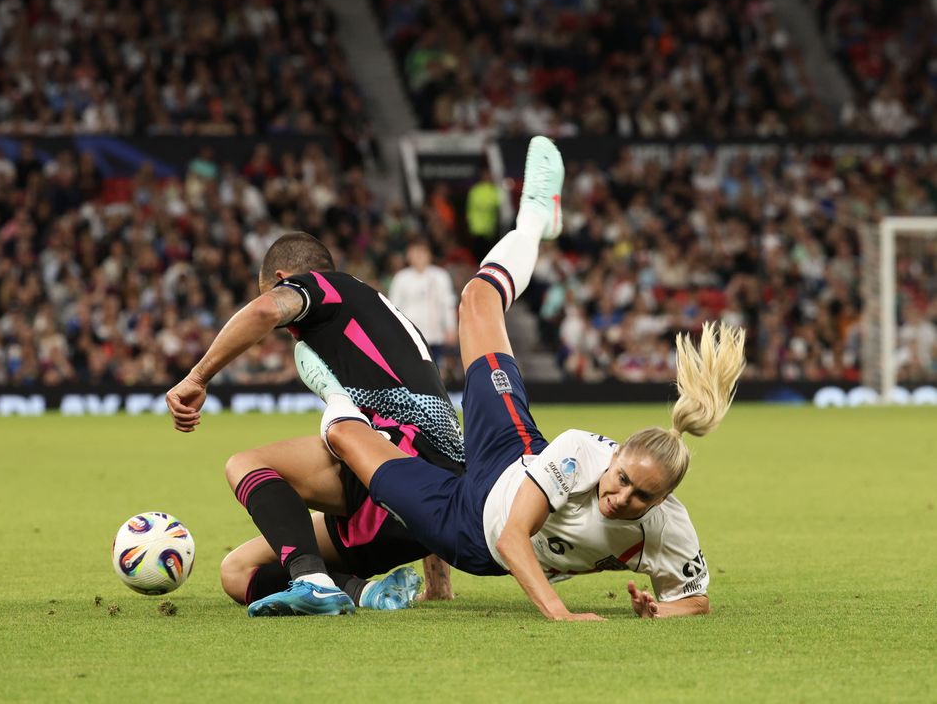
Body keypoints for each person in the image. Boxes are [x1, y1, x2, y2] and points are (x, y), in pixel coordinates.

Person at [285, 136, 745, 621]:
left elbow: (694, 600)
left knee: (348, 437)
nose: (621, 497)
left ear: (664, 500)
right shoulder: (582, 453)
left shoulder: (668, 526)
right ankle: (535, 220)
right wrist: (560, 613)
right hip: (515, 454)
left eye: (642, 496)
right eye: (624, 479)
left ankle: (332, 390)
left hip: (467, 528)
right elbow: (516, 534)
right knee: (477, 299)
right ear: (616, 456)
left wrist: (658, 612)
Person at [166, 232, 464, 615]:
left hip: (389, 483)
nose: (287, 330)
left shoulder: (327, 287)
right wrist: (439, 582)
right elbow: (428, 438)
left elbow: (264, 312)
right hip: (431, 511)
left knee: (245, 464)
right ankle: (364, 593)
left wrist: (197, 377)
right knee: (237, 572)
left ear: (283, 278)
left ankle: (313, 581)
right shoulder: (384, 321)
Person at [387, 238, 457, 370]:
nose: (419, 256)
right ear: (408, 255)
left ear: (429, 254)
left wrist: (451, 327)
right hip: (409, 337)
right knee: (412, 372)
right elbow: (393, 308)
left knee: (436, 372)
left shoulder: (440, 276)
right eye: (415, 252)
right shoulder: (401, 278)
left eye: (422, 252)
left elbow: (447, 303)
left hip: (435, 335)